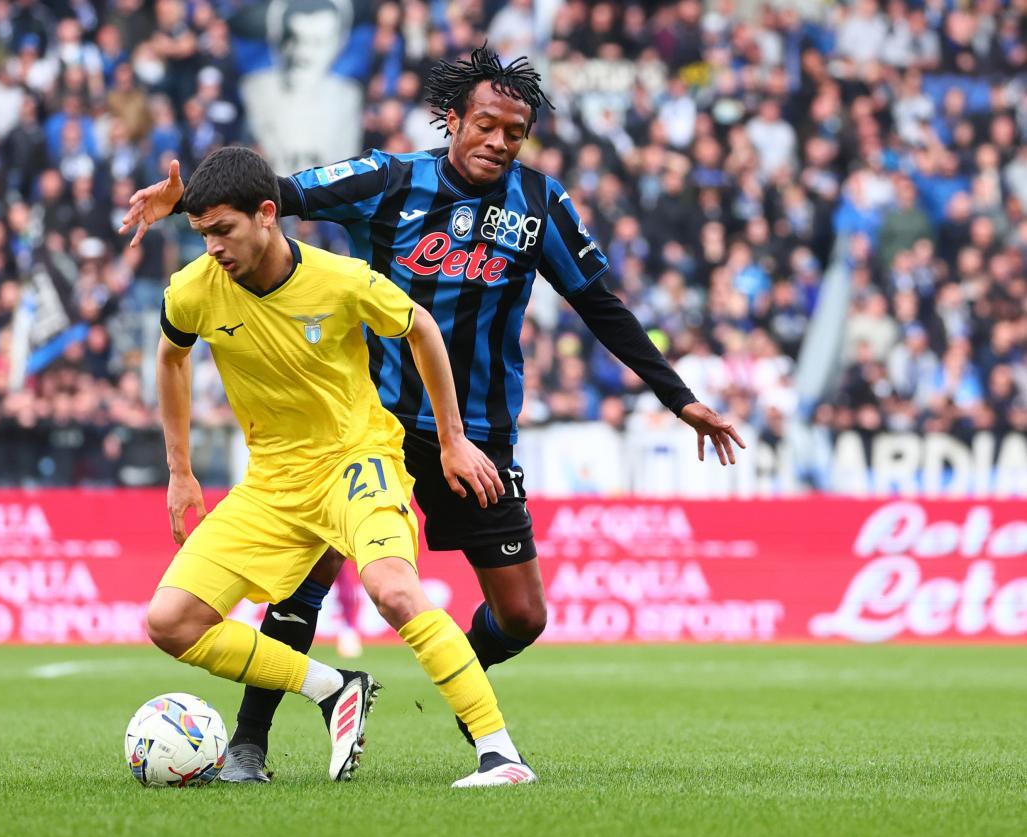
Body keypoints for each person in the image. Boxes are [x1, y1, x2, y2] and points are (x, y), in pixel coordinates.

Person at [123, 45, 745, 782]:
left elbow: (597, 304)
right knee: (300, 586)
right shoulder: (387, 180)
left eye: (515, 132)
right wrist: (182, 204)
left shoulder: (539, 204)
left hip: (474, 431)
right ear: (452, 119)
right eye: (485, 124)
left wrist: (680, 398)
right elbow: (271, 196)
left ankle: (455, 674)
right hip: (366, 425)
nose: (498, 142)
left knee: (522, 616)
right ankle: (251, 744)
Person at [146, 145, 536, 787]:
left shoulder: (343, 280)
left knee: (393, 590)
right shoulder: (193, 292)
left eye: (224, 230)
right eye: (202, 233)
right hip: (273, 480)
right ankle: (333, 687)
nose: (212, 247)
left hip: (359, 461)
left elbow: (422, 329)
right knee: (171, 623)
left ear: (267, 214)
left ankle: (501, 755)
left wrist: (451, 438)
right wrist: (180, 470)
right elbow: (170, 359)